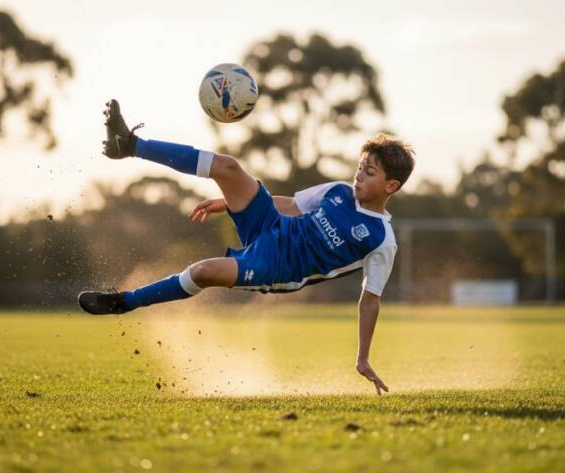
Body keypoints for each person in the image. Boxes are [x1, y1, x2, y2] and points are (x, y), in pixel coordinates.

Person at [79, 100, 415, 394]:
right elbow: (291, 206)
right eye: (359, 168)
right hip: (272, 224)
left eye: (368, 173)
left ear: (391, 185)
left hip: (279, 266)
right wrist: (227, 202)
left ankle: (124, 302)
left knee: (203, 271)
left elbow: (370, 300)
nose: (358, 176)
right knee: (227, 167)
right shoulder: (338, 191)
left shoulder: (381, 239)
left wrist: (362, 357)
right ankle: (131, 145)